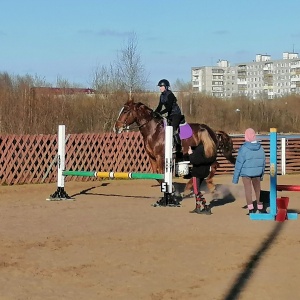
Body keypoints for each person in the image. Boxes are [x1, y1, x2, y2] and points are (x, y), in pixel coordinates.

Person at [232, 128, 266, 214]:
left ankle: (251, 209)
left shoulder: (243, 148)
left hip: (246, 173)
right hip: (257, 173)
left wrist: (235, 178)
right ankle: (260, 207)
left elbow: (238, 164)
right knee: (258, 190)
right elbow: (263, 162)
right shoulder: (260, 148)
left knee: (248, 191)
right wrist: (262, 174)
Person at [188, 128, 217, 214]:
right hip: (205, 171)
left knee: (196, 191)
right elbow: (210, 159)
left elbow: (194, 161)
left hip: (197, 172)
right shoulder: (211, 148)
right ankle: (198, 207)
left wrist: (190, 154)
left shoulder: (200, 148)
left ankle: (206, 206)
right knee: (197, 188)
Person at [154, 79, 182, 152]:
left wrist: (160, 113)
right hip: (170, 115)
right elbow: (159, 106)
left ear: (166, 87)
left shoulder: (170, 95)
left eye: (162, 86)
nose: (160, 88)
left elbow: (169, 107)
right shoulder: (162, 96)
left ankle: (178, 146)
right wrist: (154, 113)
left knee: (172, 129)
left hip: (176, 114)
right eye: (160, 86)